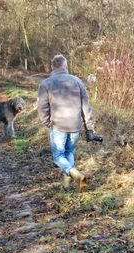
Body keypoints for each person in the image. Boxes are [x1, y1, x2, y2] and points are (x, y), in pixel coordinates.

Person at [37, 54, 97, 192]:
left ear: (52, 66)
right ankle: (66, 185)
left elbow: (42, 107)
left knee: (58, 157)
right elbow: (86, 106)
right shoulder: (77, 81)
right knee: (69, 151)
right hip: (75, 125)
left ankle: (76, 175)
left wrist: (47, 122)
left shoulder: (46, 83)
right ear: (66, 65)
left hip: (58, 125)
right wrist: (89, 127)